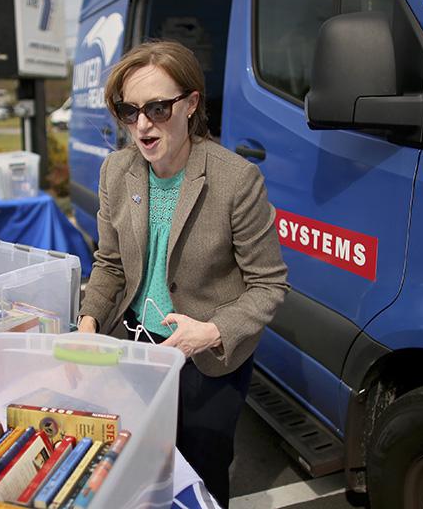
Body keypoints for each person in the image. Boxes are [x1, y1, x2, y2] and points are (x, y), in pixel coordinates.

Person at [76, 40, 289, 506]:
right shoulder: (116, 171)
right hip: (134, 347)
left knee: (201, 475)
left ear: (192, 104)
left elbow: (269, 284)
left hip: (206, 359)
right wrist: (89, 323)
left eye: (157, 108)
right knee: (136, 467)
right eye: (129, 111)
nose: (143, 125)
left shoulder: (236, 180)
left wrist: (212, 330)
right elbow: (110, 262)